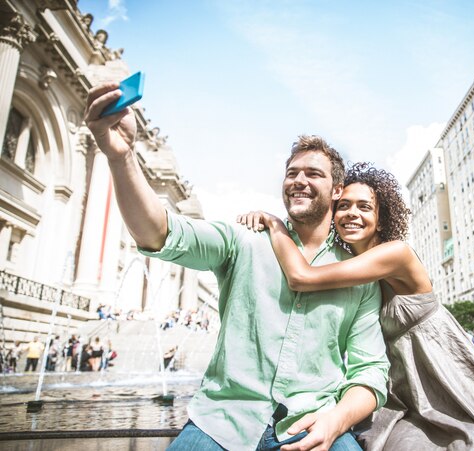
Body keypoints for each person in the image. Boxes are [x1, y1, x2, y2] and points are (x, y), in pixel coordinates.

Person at [84, 84, 389, 451]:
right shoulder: (243, 239)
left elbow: (370, 370)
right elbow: (160, 232)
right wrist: (121, 157)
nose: (299, 181)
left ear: (337, 189)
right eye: (292, 173)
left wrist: (336, 421)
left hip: (315, 423)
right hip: (222, 421)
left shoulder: (360, 277)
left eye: (313, 173)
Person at [237, 162, 474, 450]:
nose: (351, 213)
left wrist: (275, 225)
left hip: (440, 370)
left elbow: (301, 277)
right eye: (343, 205)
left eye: (364, 206)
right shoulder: (353, 267)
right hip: (402, 382)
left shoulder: (396, 253)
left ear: (381, 217)